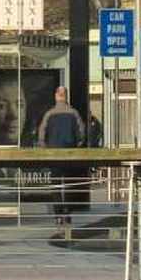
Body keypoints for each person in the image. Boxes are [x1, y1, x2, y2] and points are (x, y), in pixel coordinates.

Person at [40, 88, 87, 240]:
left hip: (53, 156)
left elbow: (42, 136)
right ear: (66, 97)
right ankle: (67, 213)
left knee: (55, 186)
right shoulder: (74, 113)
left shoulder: (49, 114)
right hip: (69, 155)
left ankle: (58, 215)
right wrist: (75, 146)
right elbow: (81, 134)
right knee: (68, 185)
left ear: (56, 96)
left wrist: (46, 149)